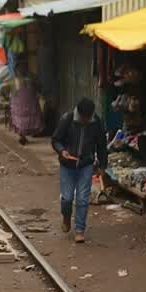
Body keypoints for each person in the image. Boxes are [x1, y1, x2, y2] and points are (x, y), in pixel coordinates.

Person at [51, 96, 108, 244]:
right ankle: (66, 215)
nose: (85, 121)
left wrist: (102, 166)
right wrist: (62, 151)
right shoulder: (67, 119)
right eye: (83, 118)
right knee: (67, 197)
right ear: (79, 114)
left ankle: (79, 230)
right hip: (67, 164)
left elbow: (101, 145)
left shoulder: (96, 123)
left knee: (83, 199)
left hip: (86, 164)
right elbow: (56, 139)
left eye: (87, 118)